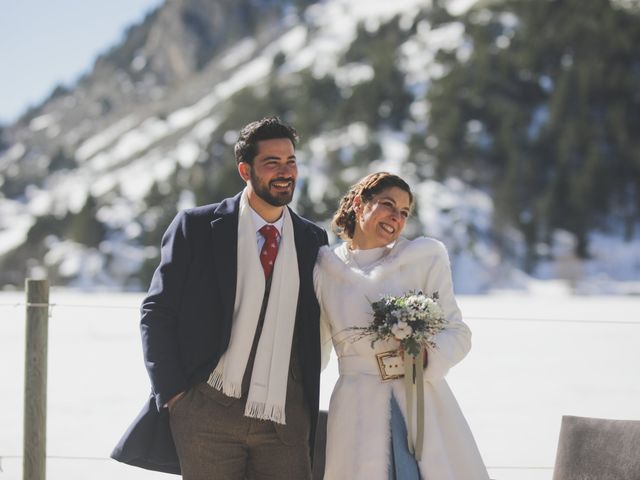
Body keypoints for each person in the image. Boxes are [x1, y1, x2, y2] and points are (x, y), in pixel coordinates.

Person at [111, 116, 328, 479]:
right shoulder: (195, 227)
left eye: (290, 161)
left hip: (285, 418)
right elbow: (157, 311)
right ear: (245, 169)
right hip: (206, 411)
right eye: (271, 162)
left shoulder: (312, 240)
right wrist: (174, 395)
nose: (285, 171)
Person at [314, 172, 489, 479]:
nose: (396, 217)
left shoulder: (423, 259)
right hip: (354, 410)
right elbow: (314, 352)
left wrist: (425, 356)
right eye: (388, 205)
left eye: (404, 213)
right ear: (359, 203)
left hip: (419, 405)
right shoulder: (325, 269)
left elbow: (459, 333)